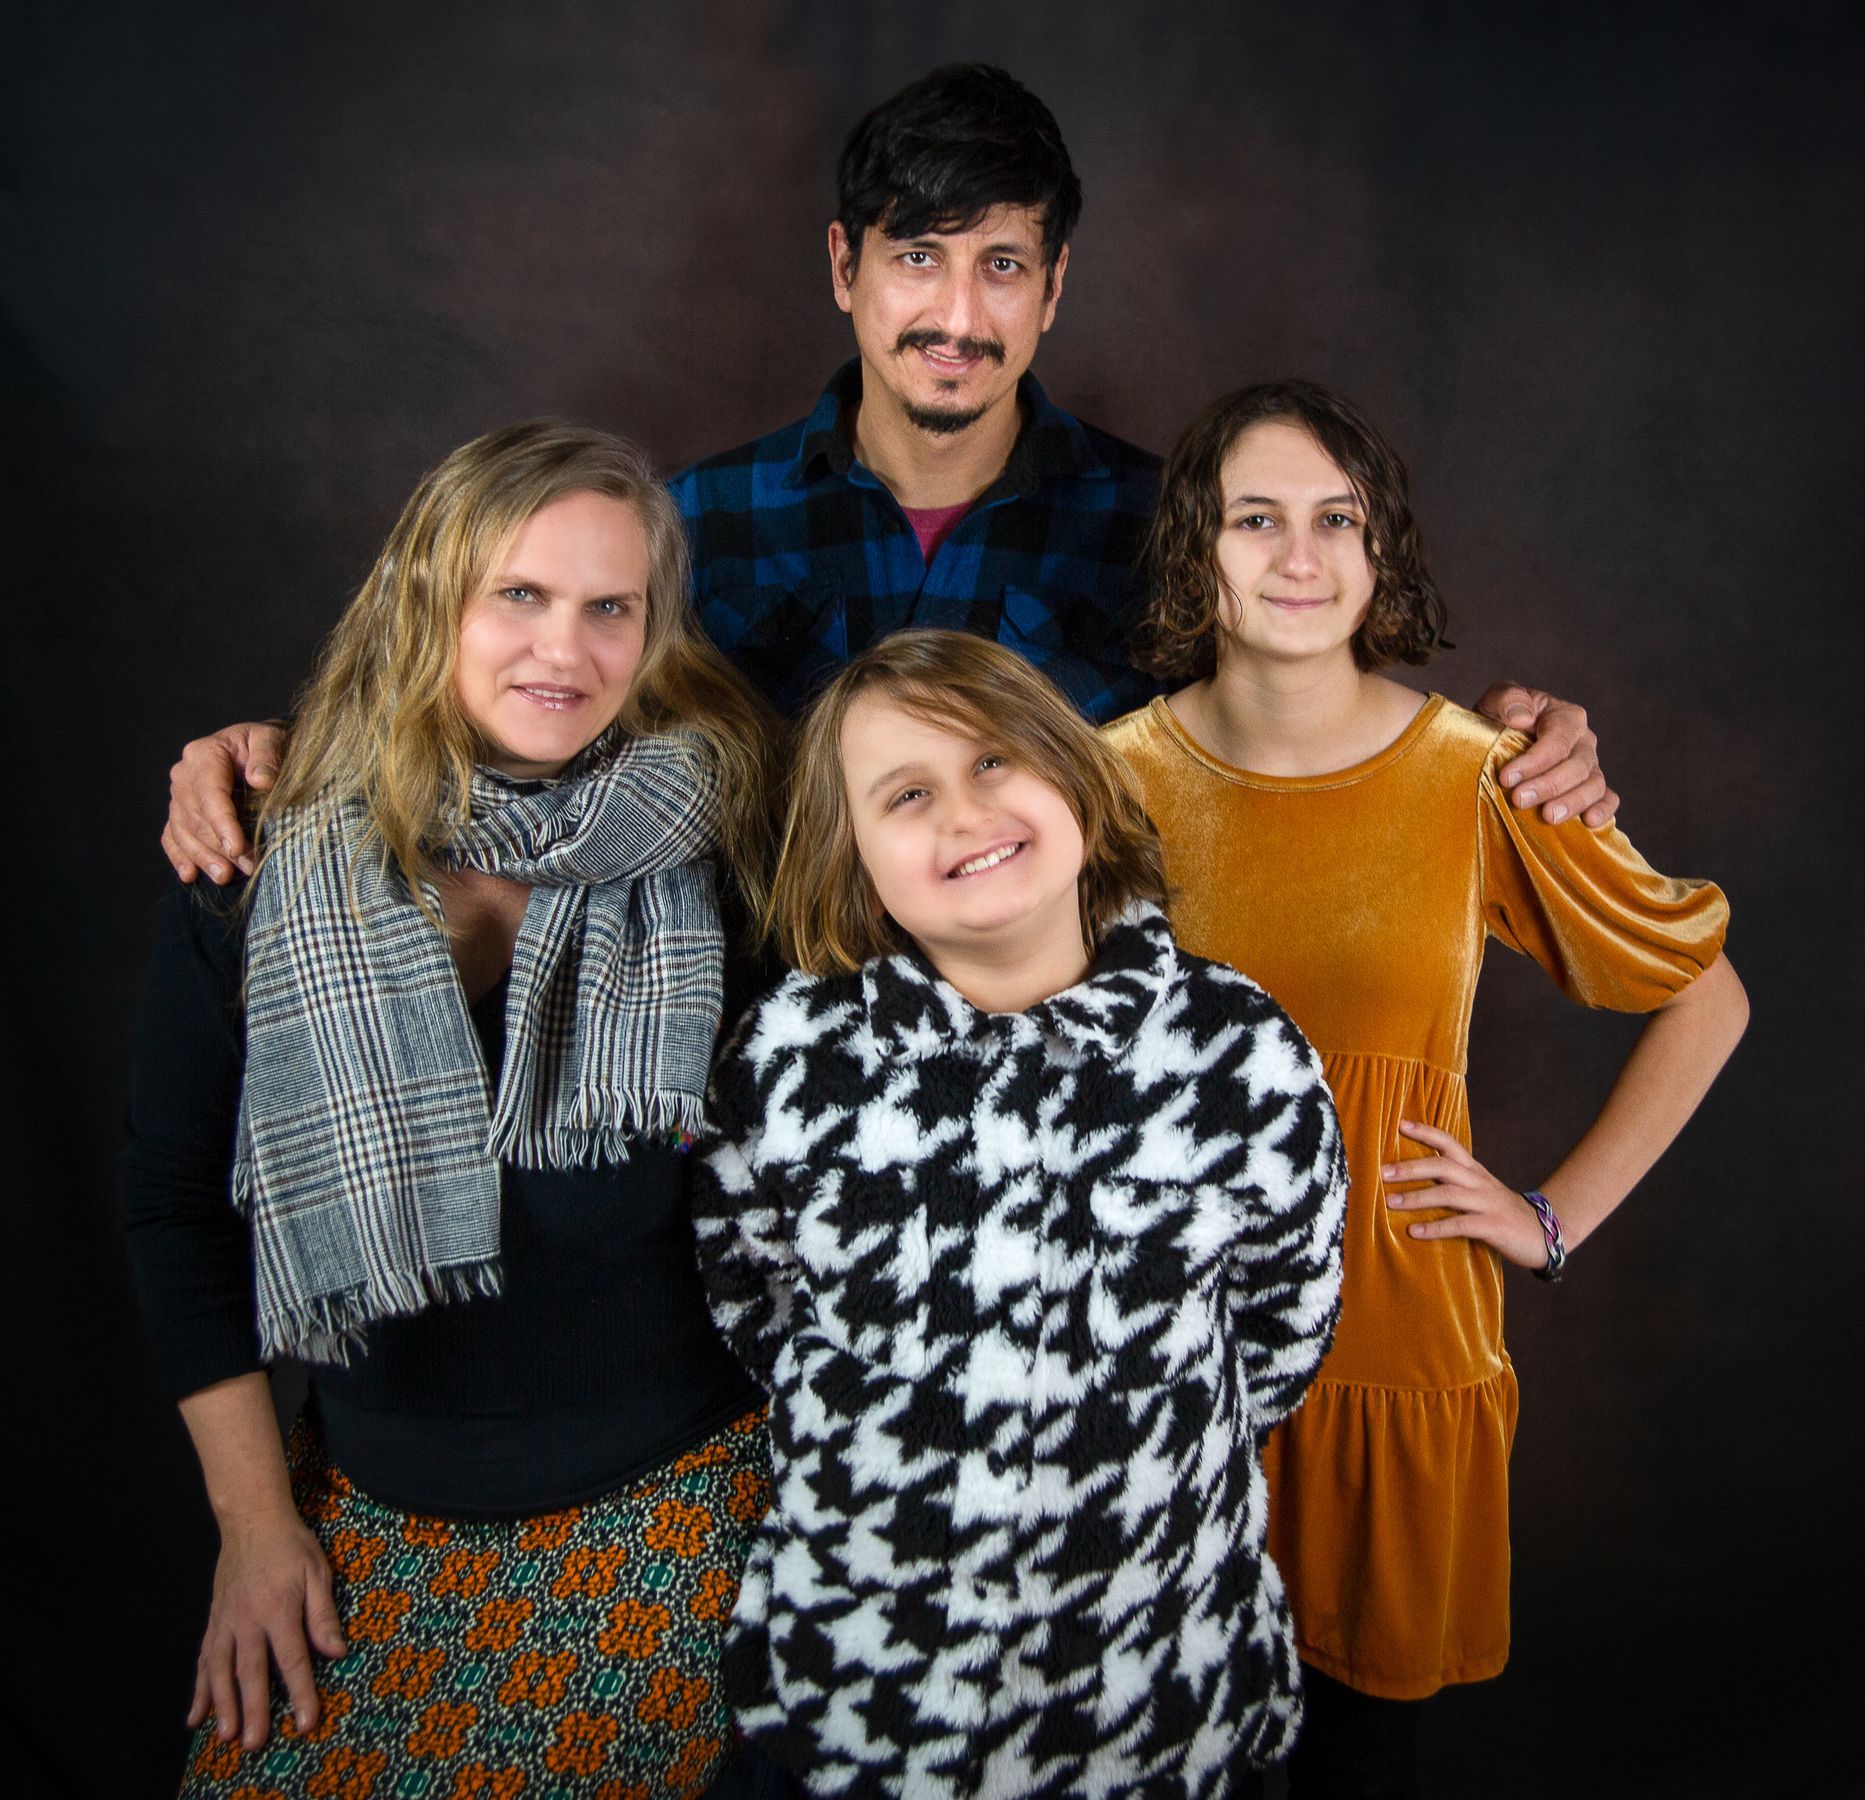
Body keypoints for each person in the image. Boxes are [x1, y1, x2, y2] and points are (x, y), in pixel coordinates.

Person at [155, 64, 1615, 889]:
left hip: (1064, 1114)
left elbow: (1326, 719)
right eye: (918, 258)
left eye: (1000, 265)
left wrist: (1505, 744)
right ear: (845, 267)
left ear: (1056, 289)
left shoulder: (1163, 526)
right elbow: (515, 721)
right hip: (749, 1098)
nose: (958, 316)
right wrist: (289, 755)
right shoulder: (689, 529)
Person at [122, 422, 791, 1796]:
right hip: (361, 1524)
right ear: (430, 603)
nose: (567, 649)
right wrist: (255, 1529)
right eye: (521, 597)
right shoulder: (266, 862)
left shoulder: (722, 857)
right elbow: (177, 1209)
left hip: (681, 1516)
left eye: (614, 609)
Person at [1104, 381, 1750, 1797]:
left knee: (1355, 1769)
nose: (1300, 555)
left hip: (1394, 1359)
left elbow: (1708, 996)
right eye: (1256, 518)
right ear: (1193, 553)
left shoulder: (1480, 777)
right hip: (1166, 1379)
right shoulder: (1104, 787)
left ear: (1379, 549)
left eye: (1337, 519)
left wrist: (1552, 1216)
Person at [690, 629, 1349, 1797]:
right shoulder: (793, 1058)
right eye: (906, 793)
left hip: (1156, 1690)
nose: (964, 811)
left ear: (1075, 775)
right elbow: (757, 1298)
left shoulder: (1234, 1050)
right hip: (861, 1693)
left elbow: (1281, 1327)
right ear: (853, 860)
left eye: (997, 762)